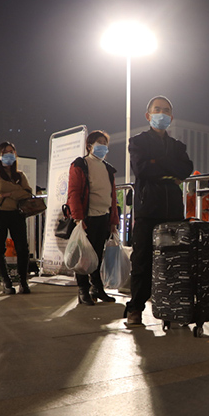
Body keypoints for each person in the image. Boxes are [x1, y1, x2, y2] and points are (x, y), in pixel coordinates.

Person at [123, 96, 194, 326]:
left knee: (173, 261)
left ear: (171, 117)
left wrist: (159, 164)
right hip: (147, 210)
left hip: (173, 212)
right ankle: (135, 309)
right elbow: (142, 170)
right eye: (157, 110)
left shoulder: (178, 146)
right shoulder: (138, 142)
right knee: (142, 261)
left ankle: (171, 309)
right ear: (148, 115)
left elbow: (186, 169)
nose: (161, 114)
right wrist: (168, 172)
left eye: (166, 111)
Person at [67, 130, 120, 305]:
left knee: (97, 255)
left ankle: (97, 288)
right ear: (89, 146)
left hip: (103, 217)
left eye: (105, 143)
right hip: (86, 218)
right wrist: (78, 219)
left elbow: (112, 197)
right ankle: (83, 290)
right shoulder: (80, 165)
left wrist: (113, 221)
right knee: (83, 256)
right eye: (99, 142)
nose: (102, 146)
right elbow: (73, 193)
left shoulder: (108, 168)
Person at [0, 141, 32, 294]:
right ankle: (6, 282)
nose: (9, 154)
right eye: (5, 152)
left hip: (17, 214)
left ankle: (23, 282)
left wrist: (10, 193)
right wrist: (17, 191)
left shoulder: (19, 175)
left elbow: (28, 193)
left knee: (22, 248)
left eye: (11, 151)